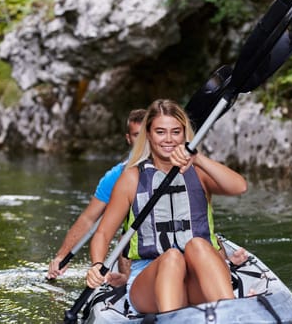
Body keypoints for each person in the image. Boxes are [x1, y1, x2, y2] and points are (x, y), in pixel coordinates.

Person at [86, 99, 248, 314]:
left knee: (198, 245)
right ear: (149, 135)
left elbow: (239, 187)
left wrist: (198, 158)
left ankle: (232, 316)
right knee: (172, 257)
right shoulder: (131, 178)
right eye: (161, 132)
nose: (169, 139)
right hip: (148, 281)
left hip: (196, 278)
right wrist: (97, 265)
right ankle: (170, 318)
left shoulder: (199, 173)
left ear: (184, 134)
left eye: (176, 132)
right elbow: (103, 234)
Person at [47, 109, 147, 285]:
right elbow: (88, 219)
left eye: (146, 134)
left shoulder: (175, 165)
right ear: (128, 138)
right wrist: (62, 256)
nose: (142, 142)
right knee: (125, 237)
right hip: (134, 245)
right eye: (136, 135)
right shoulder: (116, 176)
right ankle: (127, 282)